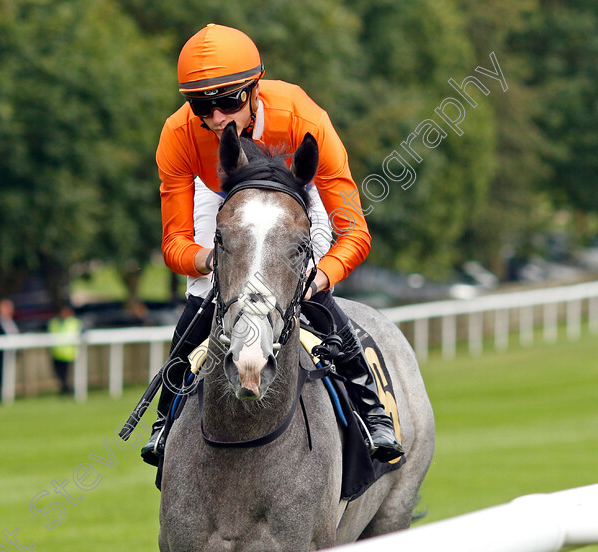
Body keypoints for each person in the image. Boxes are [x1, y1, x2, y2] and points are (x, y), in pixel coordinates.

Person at [141, 24, 403, 465]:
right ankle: (167, 415)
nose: (218, 118)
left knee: (302, 285)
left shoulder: (302, 117)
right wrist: (216, 260)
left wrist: (319, 276)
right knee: (203, 293)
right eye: (202, 105)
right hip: (221, 193)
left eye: (228, 101)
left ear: (254, 90)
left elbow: (354, 233)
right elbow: (175, 244)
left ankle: (372, 410)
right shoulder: (179, 134)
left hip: (297, 190)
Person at [47, 305, 82, 395]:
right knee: (59, 375)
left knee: (67, 375)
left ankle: (68, 390)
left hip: (68, 353)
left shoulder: (74, 322)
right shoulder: (54, 322)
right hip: (56, 353)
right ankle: (65, 389)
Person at [0, 298, 19, 399]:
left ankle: (5, 392)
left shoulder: (12, 321)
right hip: (1, 352)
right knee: (1, 372)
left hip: (11, 352)